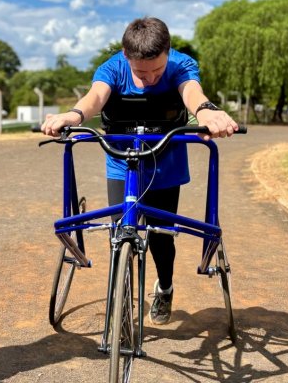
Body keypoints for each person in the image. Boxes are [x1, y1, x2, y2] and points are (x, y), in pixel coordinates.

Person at [41, 17, 238, 325]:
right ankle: (121, 295)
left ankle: (165, 287)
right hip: (123, 161)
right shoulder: (113, 68)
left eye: (157, 71)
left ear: (168, 52)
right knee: (120, 234)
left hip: (165, 163)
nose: (148, 79)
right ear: (125, 54)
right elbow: (95, 98)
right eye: (140, 72)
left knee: (161, 238)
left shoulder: (181, 65)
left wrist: (206, 112)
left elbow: (191, 92)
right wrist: (74, 114)